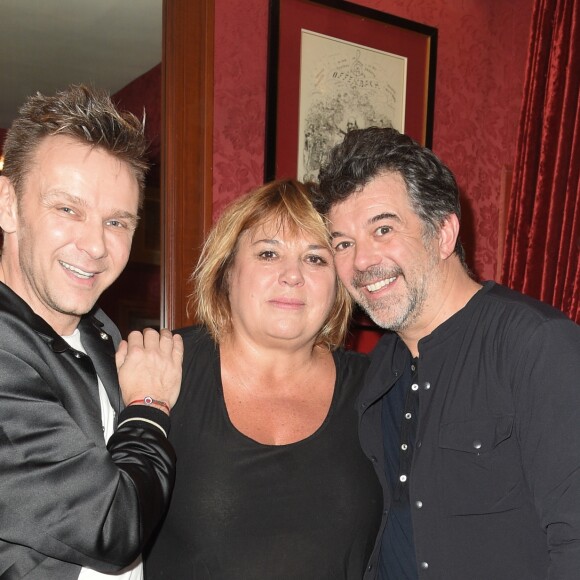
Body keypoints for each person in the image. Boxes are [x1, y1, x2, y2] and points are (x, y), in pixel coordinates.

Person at [313, 127, 580, 580]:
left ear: (443, 234)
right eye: (343, 242)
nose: (360, 261)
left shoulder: (537, 345)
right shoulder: (381, 366)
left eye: (383, 228)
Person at [145, 179, 382, 579]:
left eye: (315, 259)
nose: (292, 276)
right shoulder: (160, 366)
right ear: (226, 273)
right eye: (269, 253)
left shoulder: (378, 390)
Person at [0, 85, 183, 579]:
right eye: (68, 210)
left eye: (117, 222)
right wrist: (149, 407)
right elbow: (116, 525)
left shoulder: (99, 332)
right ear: (8, 204)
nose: (96, 245)